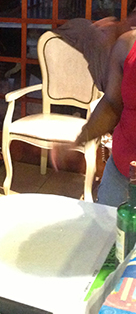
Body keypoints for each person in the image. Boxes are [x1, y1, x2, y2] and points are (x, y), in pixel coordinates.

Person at [51, 20, 136, 207]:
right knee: (105, 223)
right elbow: (112, 105)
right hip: (121, 170)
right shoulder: (127, 44)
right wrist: (77, 141)